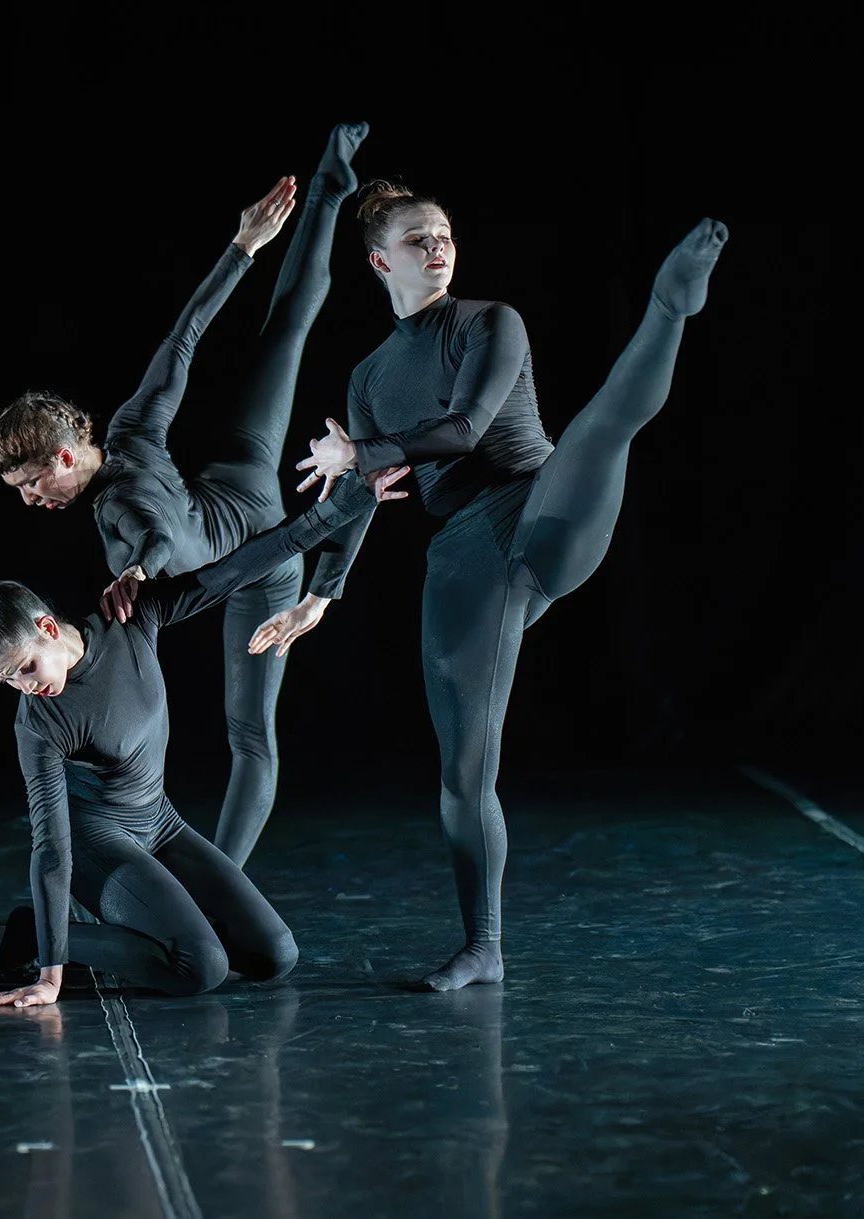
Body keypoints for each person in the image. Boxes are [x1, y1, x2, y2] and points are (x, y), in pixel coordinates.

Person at [261, 181, 730, 990]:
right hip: (467, 553)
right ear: (380, 260)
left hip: (541, 505)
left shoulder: (490, 322)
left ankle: (671, 302)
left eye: (443, 233)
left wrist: (361, 455)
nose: (437, 247)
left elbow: (466, 429)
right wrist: (321, 591)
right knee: (465, 769)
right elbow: (360, 501)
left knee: (600, 426)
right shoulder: (370, 379)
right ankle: (484, 944)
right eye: (417, 239)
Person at [0, 122, 370, 867]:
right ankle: (328, 188)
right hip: (239, 479)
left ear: (64, 453)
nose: (31, 500)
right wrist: (240, 249)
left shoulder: (123, 490)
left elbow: (161, 536)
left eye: (32, 483)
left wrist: (140, 570)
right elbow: (181, 339)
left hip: (261, 561)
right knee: (281, 335)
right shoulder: (129, 429)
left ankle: (329, 186)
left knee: (252, 737)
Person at [0, 465, 409, 1008]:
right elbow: (52, 848)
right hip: (96, 844)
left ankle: (67, 929)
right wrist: (50, 977)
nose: (25, 688)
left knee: (275, 956)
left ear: (48, 628)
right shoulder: (38, 723)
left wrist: (346, 505)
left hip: (160, 822)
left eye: (26, 668)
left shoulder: (130, 618)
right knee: (199, 967)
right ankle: (38, 937)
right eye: (7, 680)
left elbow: (239, 567)